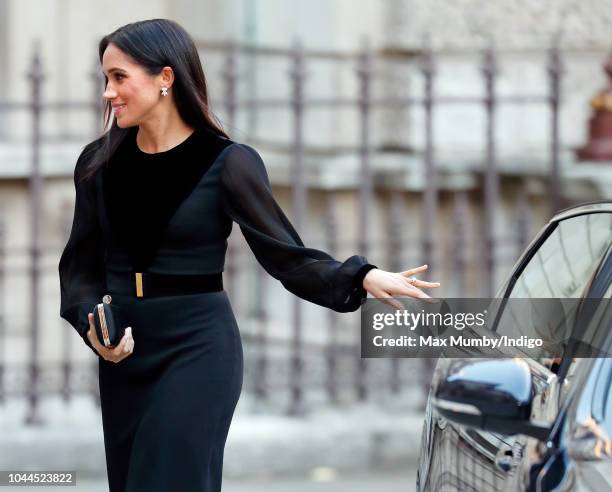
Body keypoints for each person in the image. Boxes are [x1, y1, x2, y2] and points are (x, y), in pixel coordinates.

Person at [58, 18, 440, 492]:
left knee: (169, 478)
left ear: (165, 78)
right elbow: (79, 268)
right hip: (126, 355)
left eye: (119, 77)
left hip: (197, 349)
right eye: (105, 79)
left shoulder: (227, 162)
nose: (108, 93)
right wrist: (94, 326)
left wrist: (361, 275)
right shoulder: (98, 164)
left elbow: (286, 255)